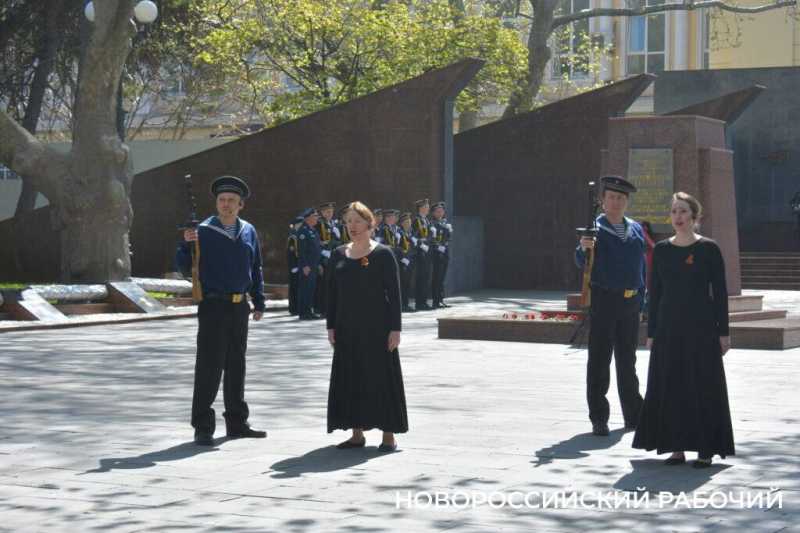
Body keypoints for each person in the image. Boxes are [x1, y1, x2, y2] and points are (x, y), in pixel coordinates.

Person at [633, 192, 734, 468]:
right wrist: (651, 331)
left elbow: (721, 294)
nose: (678, 217)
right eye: (674, 212)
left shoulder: (709, 249)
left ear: (695, 217)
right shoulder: (663, 250)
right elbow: (656, 293)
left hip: (701, 329)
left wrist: (723, 332)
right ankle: (675, 447)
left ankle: (705, 449)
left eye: (683, 212)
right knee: (671, 386)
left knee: (702, 385)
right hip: (668, 329)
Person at [176, 175, 267, 446]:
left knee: (236, 365)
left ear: (241, 205)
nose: (226, 205)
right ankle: (203, 426)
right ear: (216, 203)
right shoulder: (202, 230)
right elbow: (184, 265)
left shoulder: (248, 230)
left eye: (231, 201)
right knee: (209, 366)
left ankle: (237, 422)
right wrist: (186, 244)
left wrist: (258, 300)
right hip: (213, 305)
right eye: (222, 200)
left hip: (240, 306)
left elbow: (256, 267)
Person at [326, 201, 408, 452]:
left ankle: (388, 435)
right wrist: (331, 325)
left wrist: (395, 329)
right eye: (348, 221)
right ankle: (356, 433)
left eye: (357, 221)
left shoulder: (383, 254)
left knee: (381, 378)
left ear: (370, 224)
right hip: (346, 327)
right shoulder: (338, 253)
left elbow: (394, 295)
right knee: (351, 376)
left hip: (378, 328)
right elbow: (332, 293)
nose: (352, 226)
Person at [575, 176, 645, 436]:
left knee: (628, 361)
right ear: (603, 201)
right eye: (612, 197)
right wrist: (584, 248)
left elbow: (642, 265)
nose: (616, 202)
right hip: (605, 300)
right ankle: (599, 417)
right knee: (600, 360)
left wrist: (642, 298)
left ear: (627, 203)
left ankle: (634, 415)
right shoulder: (594, 229)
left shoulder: (636, 228)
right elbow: (581, 260)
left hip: (630, 301)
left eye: (621, 198)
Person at [297, 207, 322, 320]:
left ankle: (309, 310)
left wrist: (319, 264)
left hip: (314, 264)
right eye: (315, 216)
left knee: (311, 289)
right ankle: (304, 312)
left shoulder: (313, 231)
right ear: (308, 218)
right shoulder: (303, 231)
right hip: (307, 266)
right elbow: (301, 251)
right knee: (305, 289)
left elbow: (317, 249)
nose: (317, 218)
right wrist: (304, 265)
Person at [315, 202, 339, 317]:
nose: (330, 214)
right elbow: (316, 241)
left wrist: (337, 237)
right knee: (323, 285)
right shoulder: (319, 224)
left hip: (332, 256)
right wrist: (323, 252)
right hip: (323, 257)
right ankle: (322, 309)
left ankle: (329, 308)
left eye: (331, 211)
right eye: (327, 212)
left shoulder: (333, 224)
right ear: (322, 212)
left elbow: (335, 241)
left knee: (331, 284)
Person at [429, 201, 452, 309]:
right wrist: (439, 247)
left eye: (441, 211)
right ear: (433, 213)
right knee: (437, 277)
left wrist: (448, 231)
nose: (440, 213)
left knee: (442, 277)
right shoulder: (432, 223)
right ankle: (435, 300)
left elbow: (447, 238)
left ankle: (441, 299)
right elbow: (432, 239)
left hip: (445, 252)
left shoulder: (445, 222)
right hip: (436, 253)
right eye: (437, 211)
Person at [412, 198, 433, 311]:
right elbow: (414, 237)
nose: (428, 208)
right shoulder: (416, 221)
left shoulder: (427, 220)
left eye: (428, 207)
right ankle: (419, 302)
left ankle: (423, 301)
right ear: (421, 208)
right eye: (426, 207)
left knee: (426, 276)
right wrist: (421, 245)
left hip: (427, 250)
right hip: (421, 251)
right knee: (421, 277)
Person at [397, 212, 416, 312]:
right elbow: (398, 248)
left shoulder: (411, 233)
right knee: (402, 284)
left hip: (410, 260)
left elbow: (413, 247)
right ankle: (401, 305)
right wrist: (403, 258)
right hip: (402, 262)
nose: (408, 223)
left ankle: (406, 303)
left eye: (409, 221)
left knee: (407, 283)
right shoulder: (399, 233)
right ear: (402, 223)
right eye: (406, 222)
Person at [286, 215, 303, 315]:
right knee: (294, 288)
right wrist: (293, 266)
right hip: (295, 266)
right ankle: (293, 308)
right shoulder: (293, 236)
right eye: (300, 224)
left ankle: (296, 307)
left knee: (297, 287)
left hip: (299, 265)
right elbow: (291, 253)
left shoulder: (297, 234)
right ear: (297, 225)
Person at [640, 220, 656, 320]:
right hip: (645, 261)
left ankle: (644, 313)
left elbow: (652, 245)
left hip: (647, 261)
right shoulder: (643, 233)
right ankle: (643, 313)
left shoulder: (642, 232)